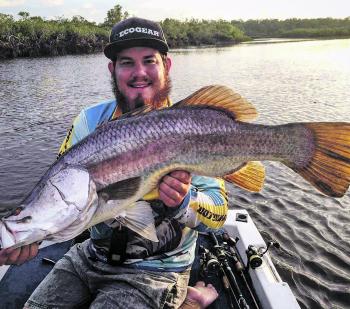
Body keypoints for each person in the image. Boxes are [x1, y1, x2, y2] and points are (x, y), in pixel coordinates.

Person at [0, 17, 227, 308]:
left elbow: (218, 216)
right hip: (90, 256)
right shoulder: (89, 121)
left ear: (166, 66)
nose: (139, 73)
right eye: (126, 62)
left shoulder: (194, 124)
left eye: (149, 60)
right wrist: (31, 238)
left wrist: (185, 201)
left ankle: (187, 300)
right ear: (113, 69)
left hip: (157, 272)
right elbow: (62, 197)